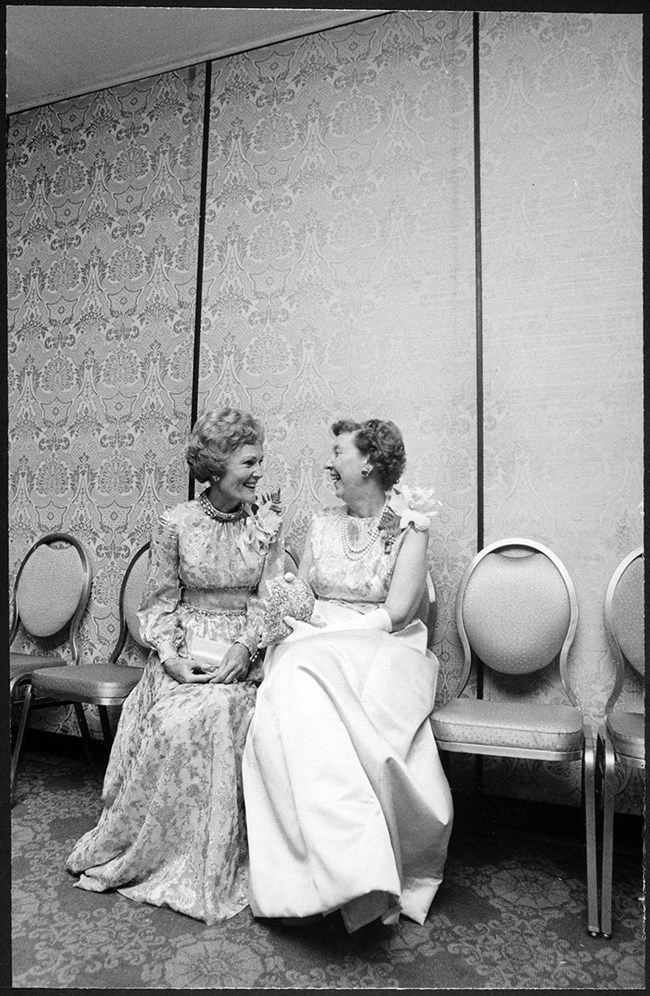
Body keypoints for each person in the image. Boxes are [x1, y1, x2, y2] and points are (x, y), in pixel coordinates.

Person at [66, 407, 285, 924]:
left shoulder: (268, 521)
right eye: (248, 463)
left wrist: (247, 648)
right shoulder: (175, 523)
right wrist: (170, 657)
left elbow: (274, 597)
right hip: (184, 653)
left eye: (260, 462)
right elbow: (158, 605)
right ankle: (159, 851)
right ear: (216, 465)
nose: (259, 473)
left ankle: (215, 858)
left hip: (244, 656)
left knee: (219, 712)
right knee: (177, 718)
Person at [242, 417, 453, 933]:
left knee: (304, 664)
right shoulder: (321, 523)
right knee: (292, 671)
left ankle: (356, 869)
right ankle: (326, 871)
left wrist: (330, 638)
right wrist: (284, 591)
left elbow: (401, 610)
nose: (328, 462)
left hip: (384, 644)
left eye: (338, 451)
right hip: (319, 635)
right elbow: (305, 593)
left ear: (370, 463)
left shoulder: (411, 525)